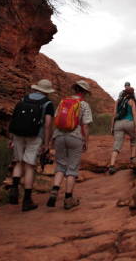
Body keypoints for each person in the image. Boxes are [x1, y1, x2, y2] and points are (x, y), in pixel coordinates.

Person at [8, 79, 55, 211]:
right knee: (29, 166)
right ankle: (27, 200)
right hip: (35, 136)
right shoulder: (48, 103)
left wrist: (11, 137)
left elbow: (14, 118)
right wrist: (46, 143)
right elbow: (47, 125)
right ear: (47, 91)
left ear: (36, 88)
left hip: (18, 134)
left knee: (18, 162)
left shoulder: (24, 98)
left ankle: (14, 190)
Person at [46, 80, 92, 210]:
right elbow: (86, 125)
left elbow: (56, 120)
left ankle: (54, 191)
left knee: (60, 165)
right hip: (75, 137)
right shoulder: (84, 104)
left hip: (59, 136)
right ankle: (68, 199)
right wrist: (86, 141)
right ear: (84, 92)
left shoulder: (63, 101)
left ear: (75, 89)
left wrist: (52, 139)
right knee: (72, 168)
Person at [108, 86, 136, 174]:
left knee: (117, 144)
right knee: (134, 139)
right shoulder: (132, 101)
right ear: (132, 93)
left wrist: (111, 127)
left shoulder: (118, 101)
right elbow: (134, 114)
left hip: (118, 124)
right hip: (129, 123)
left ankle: (112, 165)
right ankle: (133, 158)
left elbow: (114, 114)